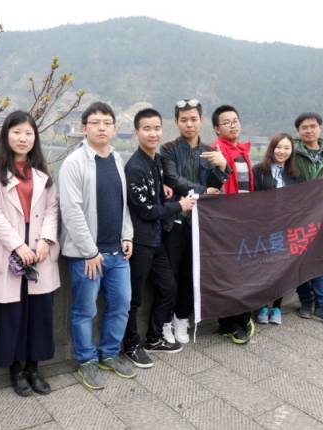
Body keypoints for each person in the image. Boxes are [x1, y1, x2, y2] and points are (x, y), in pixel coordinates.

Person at [0, 111, 59, 397]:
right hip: (9, 250)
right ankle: (15, 369)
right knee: (12, 313)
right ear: (6, 135)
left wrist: (46, 239)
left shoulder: (42, 173)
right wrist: (17, 245)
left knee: (40, 312)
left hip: (38, 251)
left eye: (28, 133)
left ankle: (34, 368)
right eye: (17, 132)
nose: (23, 138)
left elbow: (51, 209)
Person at [59, 101, 134, 390]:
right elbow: (72, 211)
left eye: (107, 123)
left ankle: (109, 353)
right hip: (88, 256)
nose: (101, 128)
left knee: (121, 304)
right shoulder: (74, 163)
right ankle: (86, 360)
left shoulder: (116, 158)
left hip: (117, 252)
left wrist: (127, 235)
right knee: (84, 310)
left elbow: (122, 204)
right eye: (95, 123)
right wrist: (89, 251)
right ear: (84, 128)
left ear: (114, 128)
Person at [123, 108, 195, 368]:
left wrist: (163, 189)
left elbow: (156, 194)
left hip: (157, 239)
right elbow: (144, 210)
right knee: (134, 298)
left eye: (156, 128)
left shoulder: (156, 160)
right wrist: (178, 206)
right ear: (136, 132)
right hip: (140, 241)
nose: (153, 133)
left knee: (168, 287)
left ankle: (154, 338)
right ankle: (131, 345)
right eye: (147, 129)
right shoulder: (134, 167)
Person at [160, 99, 229, 344]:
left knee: (192, 273)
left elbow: (217, 185)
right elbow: (173, 179)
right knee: (170, 275)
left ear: (201, 121)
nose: (189, 124)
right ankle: (164, 321)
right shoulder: (168, 149)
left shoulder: (210, 151)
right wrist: (202, 191)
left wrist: (223, 166)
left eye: (193, 119)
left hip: (201, 223)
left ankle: (182, 318)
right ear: (176, 122)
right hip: (175, 220)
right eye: (184, 120)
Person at [208, 105, 255, 344]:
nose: (232, 125)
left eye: (235, 120)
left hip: (245, 220)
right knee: (228, 274)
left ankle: (243, 316)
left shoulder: (242, 151)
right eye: (226, 122)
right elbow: (216, 185)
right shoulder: (215, 152)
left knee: (244, 272)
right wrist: (221, 164)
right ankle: (228, 324)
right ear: (217, 128)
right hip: (227, 223)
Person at [293, 112, 323, 328]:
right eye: (304, 127)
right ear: (298, 131)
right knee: (299, 259)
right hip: (297, 217)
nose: (309, 130)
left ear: (320, 128)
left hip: (322, 216)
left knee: (320, 260)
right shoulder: (292, 153)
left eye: (313, 126)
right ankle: (306, 300)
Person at [252, 133, 301, 325]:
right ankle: (263, 306)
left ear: (291, 151)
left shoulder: (295, 175)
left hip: (286, 229)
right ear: (271, 149)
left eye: (286, 148)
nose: (282, 151)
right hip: (264, 228)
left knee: (282, 268)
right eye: (278, 147)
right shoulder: (259, 170)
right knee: (264, 268)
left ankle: (277, 307)